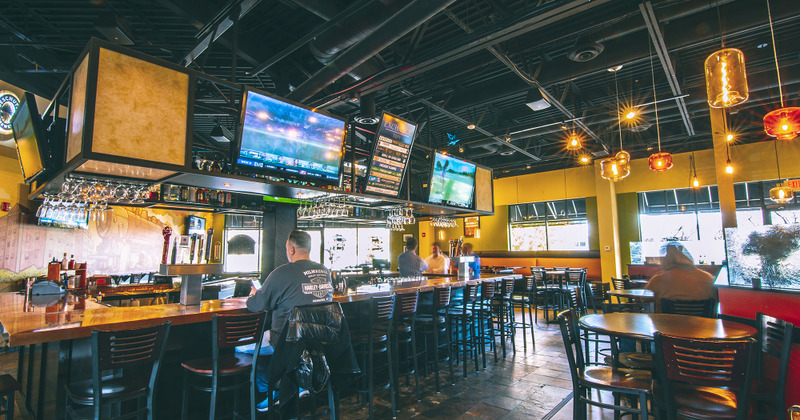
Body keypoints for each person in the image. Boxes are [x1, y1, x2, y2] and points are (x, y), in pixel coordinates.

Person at [245, 230, 333, 411]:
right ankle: (297, 381)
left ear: (291, 249)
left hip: (287, 342)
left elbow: (256, 305)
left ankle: (274, 389)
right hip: (317, 340)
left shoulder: (281, 273)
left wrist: (253, 296)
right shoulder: (324, 271)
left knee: (243, 346)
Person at [645, 244, 717, 312]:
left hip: (667, 324)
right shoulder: (708, 278)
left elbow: (644, 299)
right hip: (702, 324)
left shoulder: (658, 280)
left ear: (665, 262)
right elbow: (717, 298)